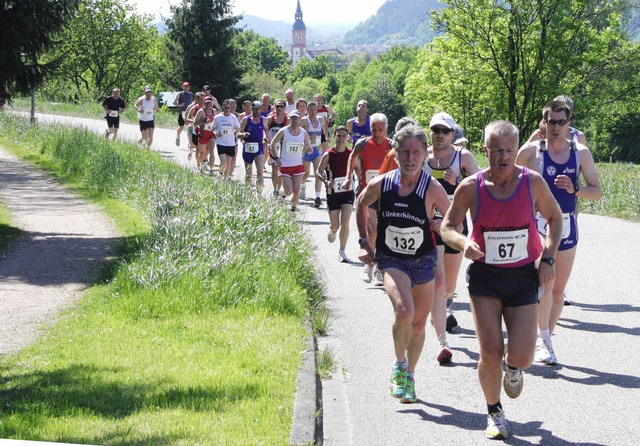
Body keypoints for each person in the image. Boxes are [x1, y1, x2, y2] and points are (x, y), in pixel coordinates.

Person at [441, 120, 563, 440]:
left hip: (523, 274)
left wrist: (548, 258)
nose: (505, 156)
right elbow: (448, 227)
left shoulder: (532, 183)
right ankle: (494, 411)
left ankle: (512, 369)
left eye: (510, 149)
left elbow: (555, 218)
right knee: (490, 352)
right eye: (498, 150)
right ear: (487, 151)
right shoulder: (472, 187)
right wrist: (464, 243)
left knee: (521, 356)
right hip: (486, 276)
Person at [356, 122, 450, 404]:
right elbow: (361, 203)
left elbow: (456, 222)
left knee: (419, 325)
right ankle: (399, 366)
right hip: (392, 258)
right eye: (405, 152)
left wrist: (441, 225)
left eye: (416, 152)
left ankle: (409, 374)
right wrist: (363, 241)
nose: (410, 158)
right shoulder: (382, 184)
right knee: (404, 311)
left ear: (425, 155)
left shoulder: (432, 188)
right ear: (395, 153)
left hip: (423, 260)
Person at [516, 100, 602, 365]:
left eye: (561, 122)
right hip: (539, 225)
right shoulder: (531, 152)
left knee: (558, 292)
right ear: (544, 123)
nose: (555, 127)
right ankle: (541, 337)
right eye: (550, 122)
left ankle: (546, 336)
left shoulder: (581, 153)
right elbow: (508, 183)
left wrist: (575, 190)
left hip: (566, 226)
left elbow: (597, 192)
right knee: (545, 281)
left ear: (569, 123)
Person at [423, 112, 481, 363]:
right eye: (435, 130)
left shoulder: (462, 157)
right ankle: (441, 342)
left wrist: (458, 181)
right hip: (429, 229)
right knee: (437, 283)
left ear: (452, 134)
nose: (438, 135)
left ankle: (442, 307)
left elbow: (481, 187)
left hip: (456, 228)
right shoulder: (422, 156)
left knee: (448, 287)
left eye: (444, 131)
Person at [343, 112, 394, 286]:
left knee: (384, 231)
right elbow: (352, 157)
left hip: (388, 194)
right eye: (374, 129)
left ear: (386, 129)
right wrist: (348, 177)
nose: (377, 133)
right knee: (372, 230)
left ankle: (379, 267)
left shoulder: (393, 145)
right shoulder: (363, 143)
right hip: (368, 193)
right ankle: (369, 265)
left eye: (380, 130)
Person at [316, 126, 354, 262]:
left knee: (345, 223)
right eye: (338, 136)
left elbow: (358, 170)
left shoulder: (351, 154)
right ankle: (332, 230)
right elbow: (318, 171)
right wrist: (326, 181)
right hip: (333, 193)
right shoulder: (328, 154)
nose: (341, 139)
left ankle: (342, 251)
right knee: (336, 225)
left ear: (347, 137)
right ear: (334, 137)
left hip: (348, 192)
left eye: (344, 136)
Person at [269, 110, 313, 211]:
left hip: (298, 165)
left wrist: (309, 148)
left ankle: (293, 208)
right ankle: (280, 193)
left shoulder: (303, 132)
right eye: (292, 118)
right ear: (289, 119)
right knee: (289, 191)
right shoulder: (283, 131)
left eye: (296, 118)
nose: (294, 120)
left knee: (296, 190)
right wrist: (276, 158)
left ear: (299, 119)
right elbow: (272, 143)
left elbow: (307, 144)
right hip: (285, 165)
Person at [301, 101, 329, 207]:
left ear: (317, 110)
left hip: (317, 150)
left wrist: (325, 138)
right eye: (310, 109)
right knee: (306, 174)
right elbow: (298, 132)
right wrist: (308, 136)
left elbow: (324, 128)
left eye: (314, 109)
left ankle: (317, 197)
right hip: (306, 150)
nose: (312, 111)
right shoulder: (304, 121)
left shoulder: (320, 120)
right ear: (307, 110)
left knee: (318, 173)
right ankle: (301, 185)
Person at [239, 101, 269, 190]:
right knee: (249, 172)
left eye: (259, 109)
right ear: (252, 109)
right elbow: (238, 133)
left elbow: (266, 132)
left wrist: (265, 138)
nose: (257, 111)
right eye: (255, 109)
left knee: (260, 171)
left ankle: (259, 191)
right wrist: (243, 135)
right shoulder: (245, 119)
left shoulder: (264, 119)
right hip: (248, 147)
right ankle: (248, 191)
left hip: (258, 147)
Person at [213, 99, 241, 180]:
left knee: (228, 164)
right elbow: (213, 128)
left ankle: (224, 180)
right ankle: (221, 171)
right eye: (226, 108)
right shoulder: (218, 117)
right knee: (223, 162)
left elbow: (238, 128)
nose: (228, 110)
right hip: (220, 142)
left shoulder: (233, 118)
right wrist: (216, 133)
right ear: (223, 107)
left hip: (231, 143)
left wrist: (236, 129)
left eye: (229, 108)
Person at [266, 99, 289, 198]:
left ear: (284, 108)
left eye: (281, 106)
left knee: (281, 170)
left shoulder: (287, 119)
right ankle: (275, 189)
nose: (279, 108)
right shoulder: (270, 118)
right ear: (274, 108)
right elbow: (265, 129)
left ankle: (279, 188)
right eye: (277, 106)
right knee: (274, 169)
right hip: (273, 146)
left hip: (283, 147)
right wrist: (266, 138)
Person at [193, 96, 217, 173]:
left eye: (210, 103)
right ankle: (201, 165)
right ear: (204, 104)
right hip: (203, 133)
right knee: (202, 152)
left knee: (211, 150)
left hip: (211, 133)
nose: (209, 105)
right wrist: (204, 122)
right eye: (207, 103)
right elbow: (195, 123)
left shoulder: (214, 111)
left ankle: (211, 168)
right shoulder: (201, 111)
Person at [184, 91, 205, 162]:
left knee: (201, 146)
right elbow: (187, 118)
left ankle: (203, 159)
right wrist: (193, 121)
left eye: (203, 99)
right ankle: (190, 151)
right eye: (201, 100)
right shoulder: (193, 108)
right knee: (193, 144)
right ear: (197, 100)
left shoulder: (207, 108)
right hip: (194, 128)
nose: (202, 101)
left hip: (203, 129)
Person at [173, 81, 193, 147]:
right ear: (182, 87)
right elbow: (174, 102)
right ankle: (178, 137)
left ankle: (190, 142)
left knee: (190, 127)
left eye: (187, 87)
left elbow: (192, 102)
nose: (186, 88)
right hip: (182, 113)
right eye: (185, 87)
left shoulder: (191, 94)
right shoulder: (180, 94)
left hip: (189, 113)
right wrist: (180, 105)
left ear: (189, 87)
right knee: (181, 127)